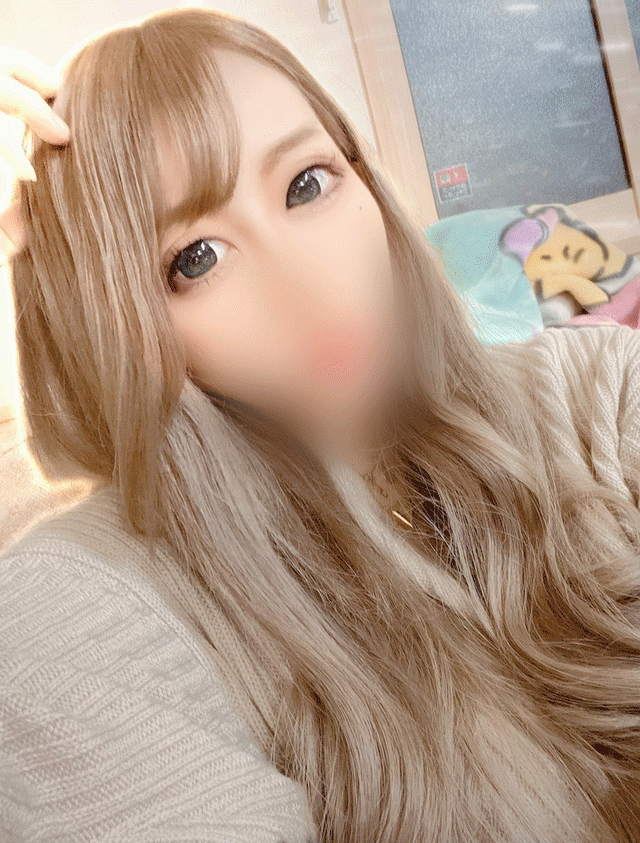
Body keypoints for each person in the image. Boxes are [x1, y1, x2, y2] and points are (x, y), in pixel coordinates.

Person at [1, 8, 640, 842]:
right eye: (195, 258)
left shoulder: (590, 393)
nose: (306, 283)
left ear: (364, 179)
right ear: (113, 322)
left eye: (307, 184)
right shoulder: (88, 602)